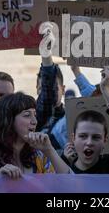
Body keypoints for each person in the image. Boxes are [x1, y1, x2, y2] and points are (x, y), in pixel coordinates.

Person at [0, 92, 71, 177]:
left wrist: (49, 150)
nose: (34, 121)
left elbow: (70, 185)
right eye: (27, 115)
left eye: (34, 115)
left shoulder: (40, 157)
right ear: (8, 120)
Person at [62, 65, 109, 173]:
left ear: (105, 140)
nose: (89, 142)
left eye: (96, 137)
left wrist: (105, 88)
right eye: (83, 136)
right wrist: (63, 161)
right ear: (73, 138)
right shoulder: (63, 170)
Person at [36, 24, 67, 152]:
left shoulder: (71, 117)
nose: (44, 90)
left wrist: (46, 55)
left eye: (56, 87)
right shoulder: (31, 117)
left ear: (63, 89)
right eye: (40, 87)